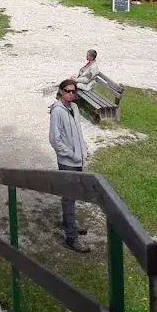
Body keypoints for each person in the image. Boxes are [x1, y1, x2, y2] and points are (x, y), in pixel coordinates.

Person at [49, 80, 90, 252]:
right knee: (68, 197)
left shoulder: (74, 108)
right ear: (60, 91)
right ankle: (71, 238)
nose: (71, 94)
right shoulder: (57, 111)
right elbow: (54, 139)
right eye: (68, 91)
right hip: (68, 162)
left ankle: (70, 224)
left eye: (74, 92)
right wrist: (71, 155)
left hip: (78, 160)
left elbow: (78, 132)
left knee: (74, 194)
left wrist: (84, 149)